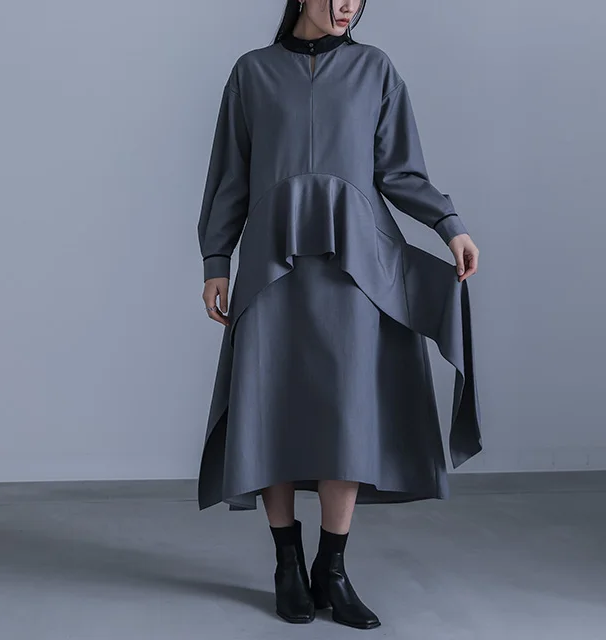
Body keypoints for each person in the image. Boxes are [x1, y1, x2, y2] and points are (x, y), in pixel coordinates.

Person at [196, 0, 482, 630]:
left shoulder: (375, 69)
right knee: (268, 409)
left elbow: (400, 171)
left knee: (344, 414)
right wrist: (217, 260)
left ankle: (334, 569)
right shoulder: (252, 72)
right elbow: (230, 177)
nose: (348, 4)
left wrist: (450, 225)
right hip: (272, 265)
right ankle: (287, 564)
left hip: (355, 268)